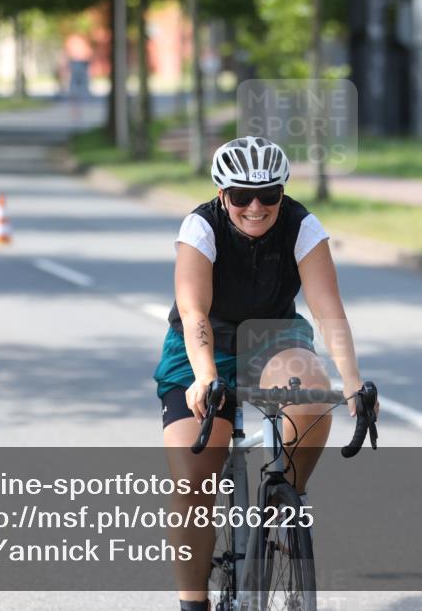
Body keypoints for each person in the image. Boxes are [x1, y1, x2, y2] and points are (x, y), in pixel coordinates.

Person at [154, 136, 375, 611]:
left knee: (314, 397)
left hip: (271, 334)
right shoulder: (201, 227)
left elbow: (327, 309)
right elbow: (194, 311)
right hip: (203, 343)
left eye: (268, 195)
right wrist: (206, 376)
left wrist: (353, 381)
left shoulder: (301, 225)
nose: (256, 206)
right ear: (222, 195)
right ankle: (193, 604)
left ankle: (285, 497)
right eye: (241, 196)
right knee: (195, 480)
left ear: (281, 192)